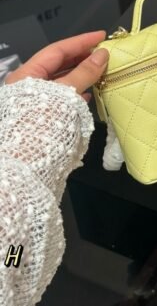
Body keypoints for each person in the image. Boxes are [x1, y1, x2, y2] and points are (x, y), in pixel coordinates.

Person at [0, 31, 109, 305]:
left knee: (16, 253)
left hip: (16, 251)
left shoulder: (13, 254)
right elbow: (11, 263)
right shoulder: (13, 251)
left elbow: (11, 263)